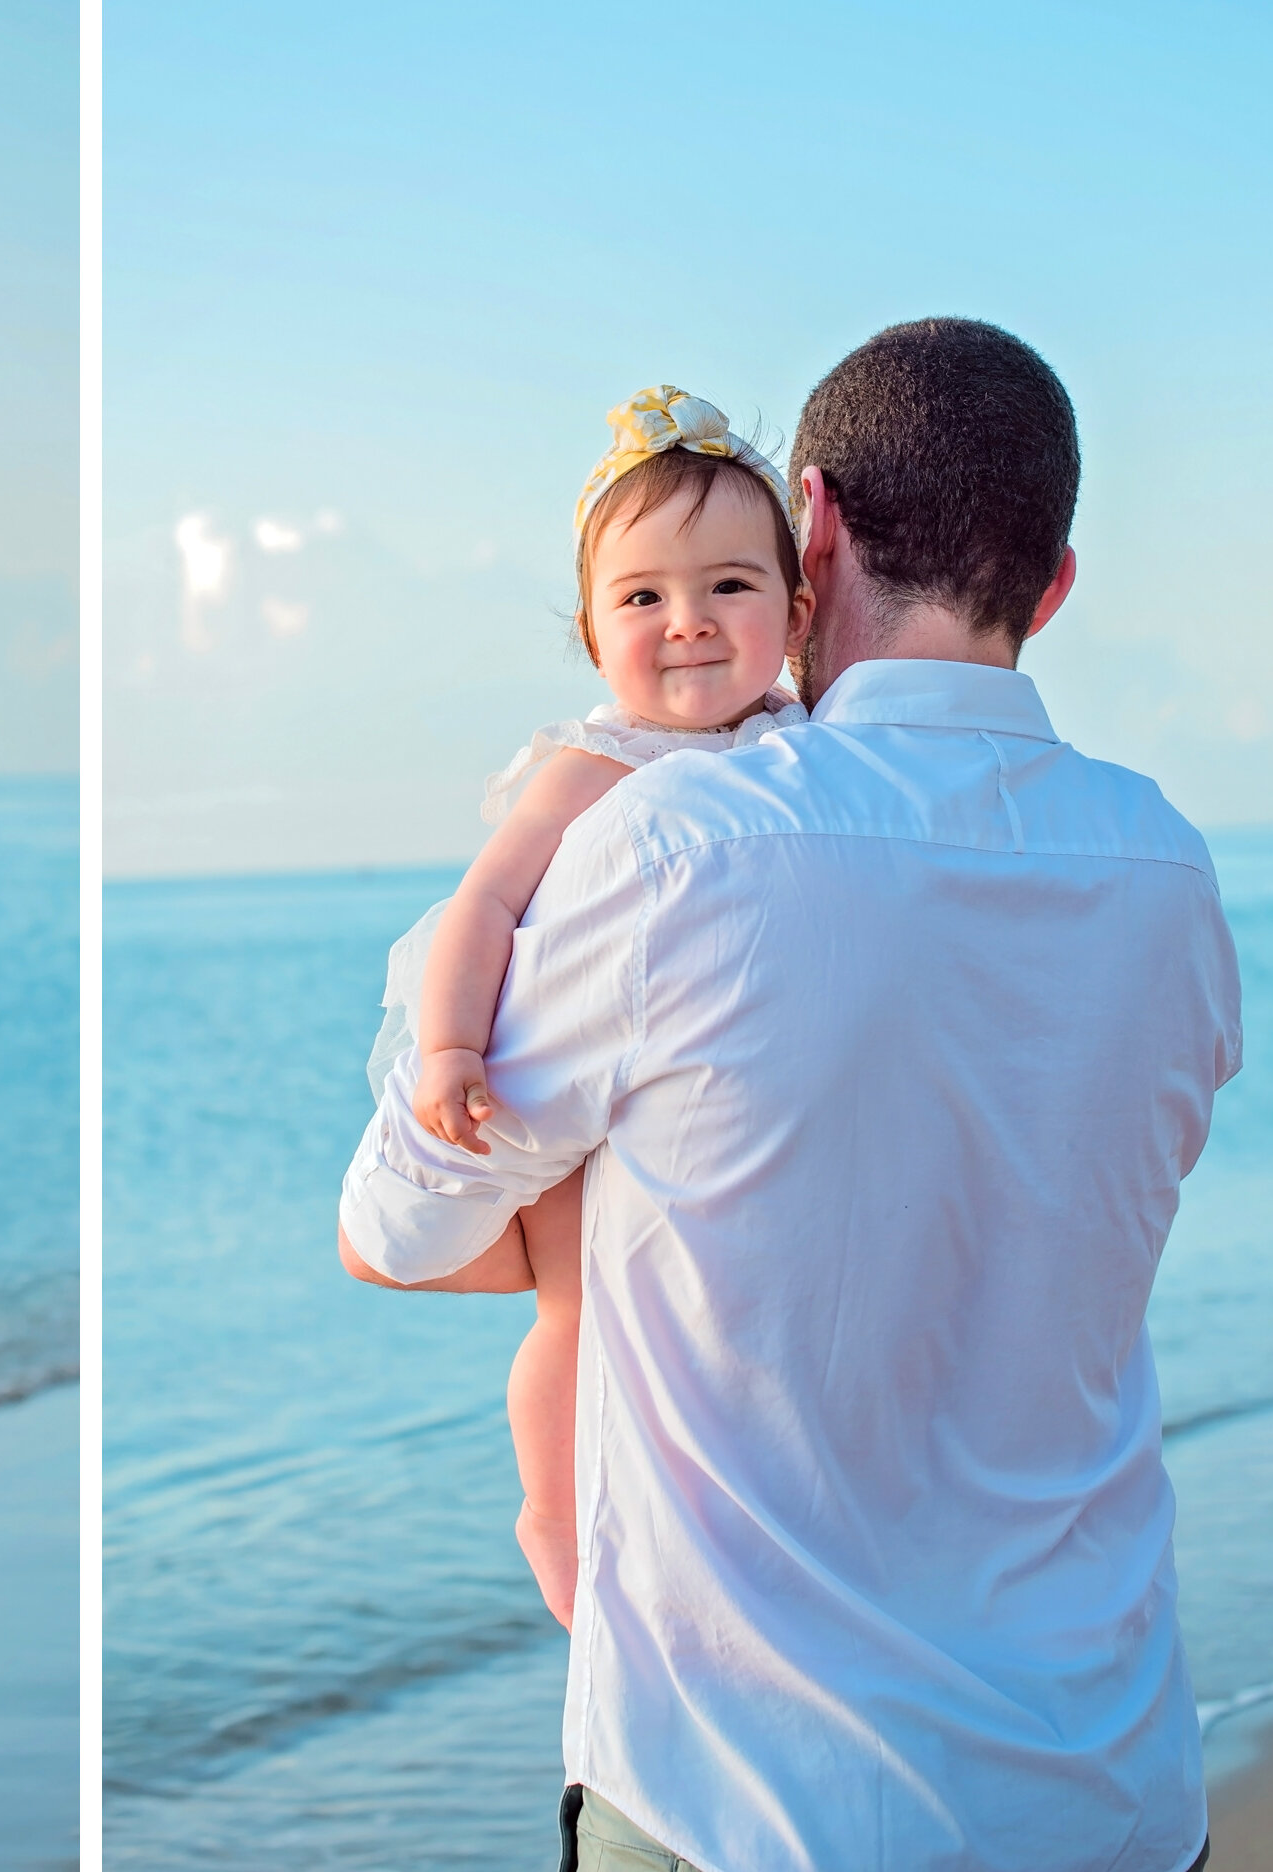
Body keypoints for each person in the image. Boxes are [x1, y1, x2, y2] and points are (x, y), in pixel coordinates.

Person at [340, 318, 1237, 1872]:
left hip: (752, 1799)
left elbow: (397, 1231)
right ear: (1056, 583)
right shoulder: (1170, 872)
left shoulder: (682, 844)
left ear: (808, 525)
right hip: (1113, 1793)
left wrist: (577, 1210)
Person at [368, 385, 810, 1627]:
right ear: (587, 628)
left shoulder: (803, 740)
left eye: (729, 585)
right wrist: (449, 1046)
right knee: (574, 1303)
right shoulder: (601, 758)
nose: (687, 624)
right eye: (641, 598)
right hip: (544, 1059)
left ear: (797, 606)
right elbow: (481, 907)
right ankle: (551, 1512)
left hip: (690, 1073)